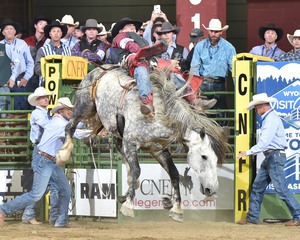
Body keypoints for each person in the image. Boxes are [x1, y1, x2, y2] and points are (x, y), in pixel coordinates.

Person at [0, 97, 74, 228]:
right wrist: (93, 132)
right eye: (69, 109)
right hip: (45, 159)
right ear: (61, 110)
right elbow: (75, 132)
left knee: (63, 190)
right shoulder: (55, 121)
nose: (71, 111)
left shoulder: (55, 119)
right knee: (37, 193)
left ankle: (60, 221)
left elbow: (73, 127)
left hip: (50, 159)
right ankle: (4, 209)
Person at [236, 93, 300, 226]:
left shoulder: (270, 119)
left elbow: (264, 143)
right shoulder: (270, 118)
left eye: (256, 108)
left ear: (261, 106)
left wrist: (247, 152)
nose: (256, 111)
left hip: (273, 157)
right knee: (258, 187)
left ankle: (298, 216)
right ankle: (252, 217)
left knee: (280, 189)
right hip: (272, 157)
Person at [110, 17, 167, 117]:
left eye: (133, 26)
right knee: (141, 69)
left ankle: (189, 97)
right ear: (121, 30)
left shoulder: (142, 40)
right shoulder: (120, 37)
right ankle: (147, 102)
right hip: (131, 63)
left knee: (171, 67)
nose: (132, 28)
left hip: (147, 61)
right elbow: (129, 45)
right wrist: (146, 51)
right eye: (129, 26)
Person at [21, 87, 58, 225]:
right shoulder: (38, 114)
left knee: (48, 187)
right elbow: (49, 127)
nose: (46, 99)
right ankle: (29, 214)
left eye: (46, 97)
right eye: (42, 97)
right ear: (37, 101)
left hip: (45, 152)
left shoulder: (44, 114)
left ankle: (33, 215)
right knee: (42, 188)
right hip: (42, 152)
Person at [191, 18, 236, 125]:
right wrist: (195, 88)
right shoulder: (200, 46)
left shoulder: (228, 48)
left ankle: (221, 135)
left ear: (221, 32)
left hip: (219, 83)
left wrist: (239, 89)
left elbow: (234, 70)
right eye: (211, 31)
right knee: (202, 113)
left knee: (220, 112)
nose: (214, 34)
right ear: (208, 31)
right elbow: (195, 68)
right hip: (203, 83)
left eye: (216, 31)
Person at [0, 18, 34, 110]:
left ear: (15, 31)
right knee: (4, 106)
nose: (9, 30)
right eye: (6, 29)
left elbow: (30, 63)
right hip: (4, 80)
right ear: (3, 32)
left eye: (11, 28)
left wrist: (26, 78)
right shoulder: (0, 45)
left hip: (20, 79)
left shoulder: (22, 44)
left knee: (20, 106)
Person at [34, 20, 71, 85]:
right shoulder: (42, 50)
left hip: (64, 84)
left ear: (61, 34)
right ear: (50, 34)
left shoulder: (68, 50)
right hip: (46, 84)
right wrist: (51, 69)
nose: (56, 33)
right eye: (53, 31)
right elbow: (37, 68)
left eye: (58, 31)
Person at [24, 16, 52, 92]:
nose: (43, 25)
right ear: (35, 26)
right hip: (28, 76)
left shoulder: (49, 42)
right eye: (40, 23)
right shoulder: (26, 41)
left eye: (45, 24)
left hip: (43, 76)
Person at [0, 42, 21, 117]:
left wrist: (12, 77)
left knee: (5, 117)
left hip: (3, 86)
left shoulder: (6, 47)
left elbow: (17, 63)